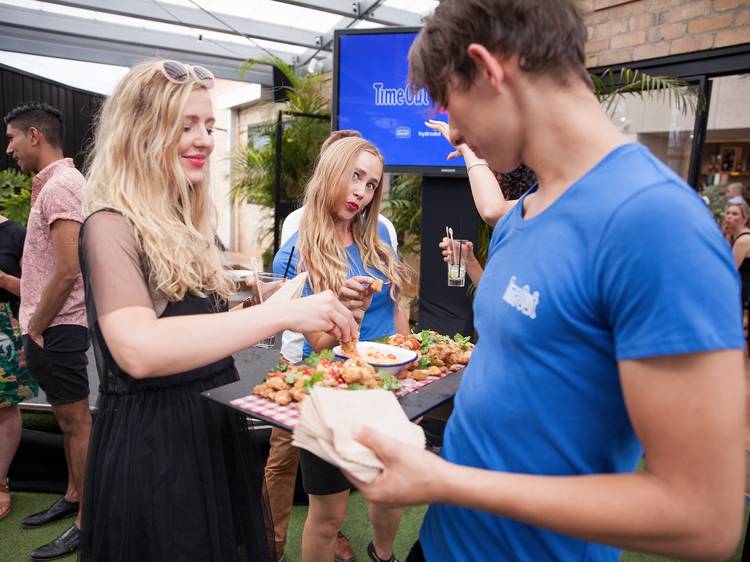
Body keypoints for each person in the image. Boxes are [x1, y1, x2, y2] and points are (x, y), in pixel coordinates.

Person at [348, 2, 746, 562]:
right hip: (442, 543)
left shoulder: (656, 224)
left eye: (450, 107)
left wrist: (446, 481)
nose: (454, 132)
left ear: (489, 70)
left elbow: (704, 518)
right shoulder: (520, 217)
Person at [78, 60, 357, 562]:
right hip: (157, 443)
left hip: (210, 427)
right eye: (185, 125)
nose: (204, 138)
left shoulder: (181, 223)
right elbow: (138, 349)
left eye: (208, 125)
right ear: (140, 130)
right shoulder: (109, 224)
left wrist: (295, 294)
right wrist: (279, 318)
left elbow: (192, 318)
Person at [265, 129, 399, 562]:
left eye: (371, 184)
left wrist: (405, 351)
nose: (361, 192)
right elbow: (320, 343)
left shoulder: (377, 238)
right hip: (326, 390)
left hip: (383, 387)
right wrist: (349, 308)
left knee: (390, 492)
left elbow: (399, 309)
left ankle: (383, 555)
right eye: (355, 177)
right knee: (329, 513)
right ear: (332, 171)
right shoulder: (297, 250)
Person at [4, 102, 92, 560]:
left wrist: (34, 326)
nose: (9, 148)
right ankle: (74, 496)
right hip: (50, 327)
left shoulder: (61, 187)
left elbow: (68, 270)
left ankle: (88, 520)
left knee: (77, 424)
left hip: (57, 328)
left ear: (34, 135)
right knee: (65, 421)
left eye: (12, 138)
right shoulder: (54, 186)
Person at [0, 214, 39, 521]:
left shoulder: (15, 234)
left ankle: (0, 482)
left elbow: (35, 289)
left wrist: (1, 279)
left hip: (4, 332)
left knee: (4, 408)